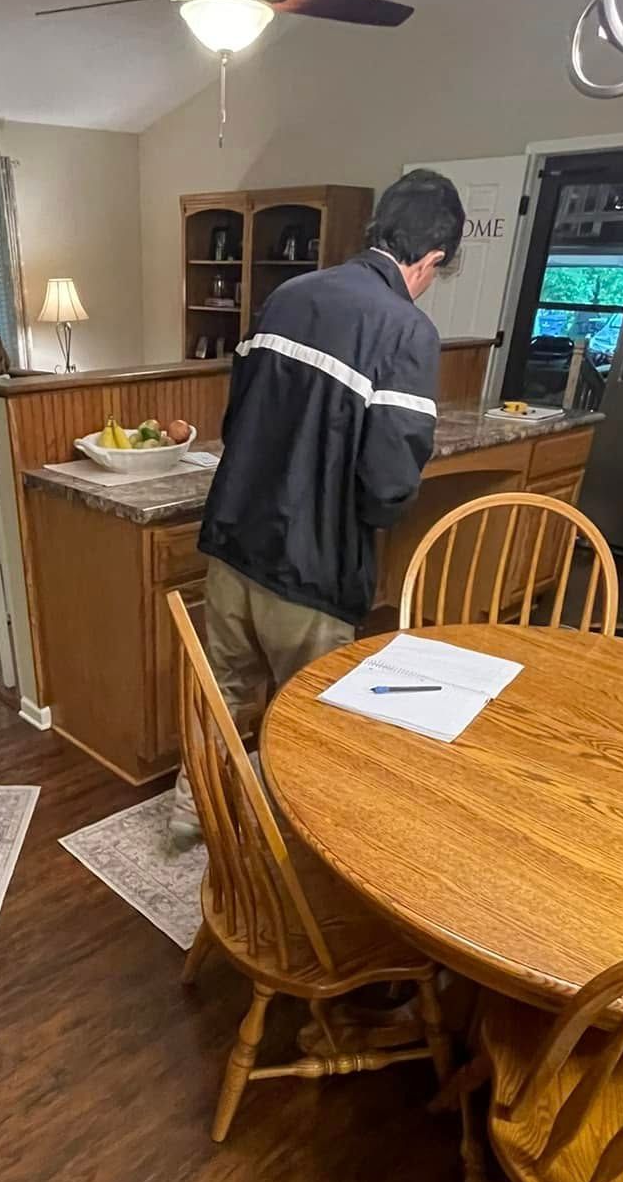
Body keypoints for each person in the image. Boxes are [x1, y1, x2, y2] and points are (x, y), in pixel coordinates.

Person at [171, 168, 466, 845]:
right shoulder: (406, 330)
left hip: (234, 541)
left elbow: (239, 415)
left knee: (225, 691)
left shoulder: (288, 294)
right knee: (307, 717)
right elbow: (389, 483)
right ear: (432, 258)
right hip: (311, 569)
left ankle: (194, 813)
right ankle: (289, 850)